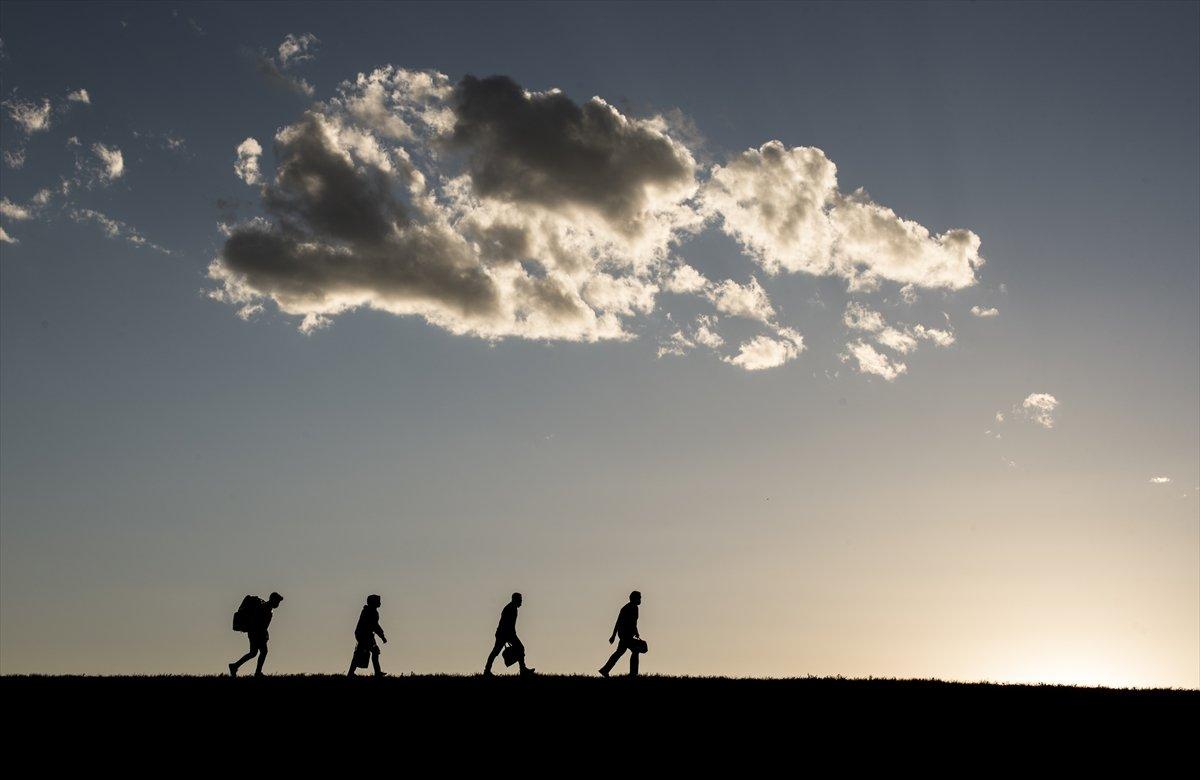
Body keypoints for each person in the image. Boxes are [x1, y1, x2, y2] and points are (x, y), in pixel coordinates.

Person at [229, 591, 283, 677]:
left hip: (256, 633)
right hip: (256, 633)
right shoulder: (265, 608)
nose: (278, 604)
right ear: (272, 600)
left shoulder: (267, 608)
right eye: (277, 601)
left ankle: (234, 666)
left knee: (253, 653)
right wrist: (261, 633)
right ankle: (257, 672)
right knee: (262, 652)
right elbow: (258, 622)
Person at [484, 592, 535, 676]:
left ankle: (522, 669)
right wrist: (510, 636)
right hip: (504, 634)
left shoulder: (512, 607)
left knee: (517, 649)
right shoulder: (511, 608)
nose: (521, 602)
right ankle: (487, 671)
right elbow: (507, 623)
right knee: (496, 652)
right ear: (516, 599)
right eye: (520, 600)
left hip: (506, 634)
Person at [599, 591, 643, 677]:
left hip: (628, 635)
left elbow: (633, 623)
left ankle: (605, 670)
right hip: (624, 635)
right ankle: (633, 674)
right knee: (635, 650)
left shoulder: (635, 608)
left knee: (620, 652)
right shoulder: (626, 608)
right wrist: (613, 635)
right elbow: (618, 622)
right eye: (639, 598)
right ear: (635, 599)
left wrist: (636, 632)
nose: (640, 600)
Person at [347, 594, 388, 677]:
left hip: (365, 635)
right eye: (378, 601)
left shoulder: (369, 611)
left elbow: (374, 626)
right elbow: (375, 626)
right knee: (374, 651)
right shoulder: (370, 612)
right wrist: (382, 636)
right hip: (364, 635)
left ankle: (351, 673)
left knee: (360, 653)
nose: (380, 603)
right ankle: (377, 673)